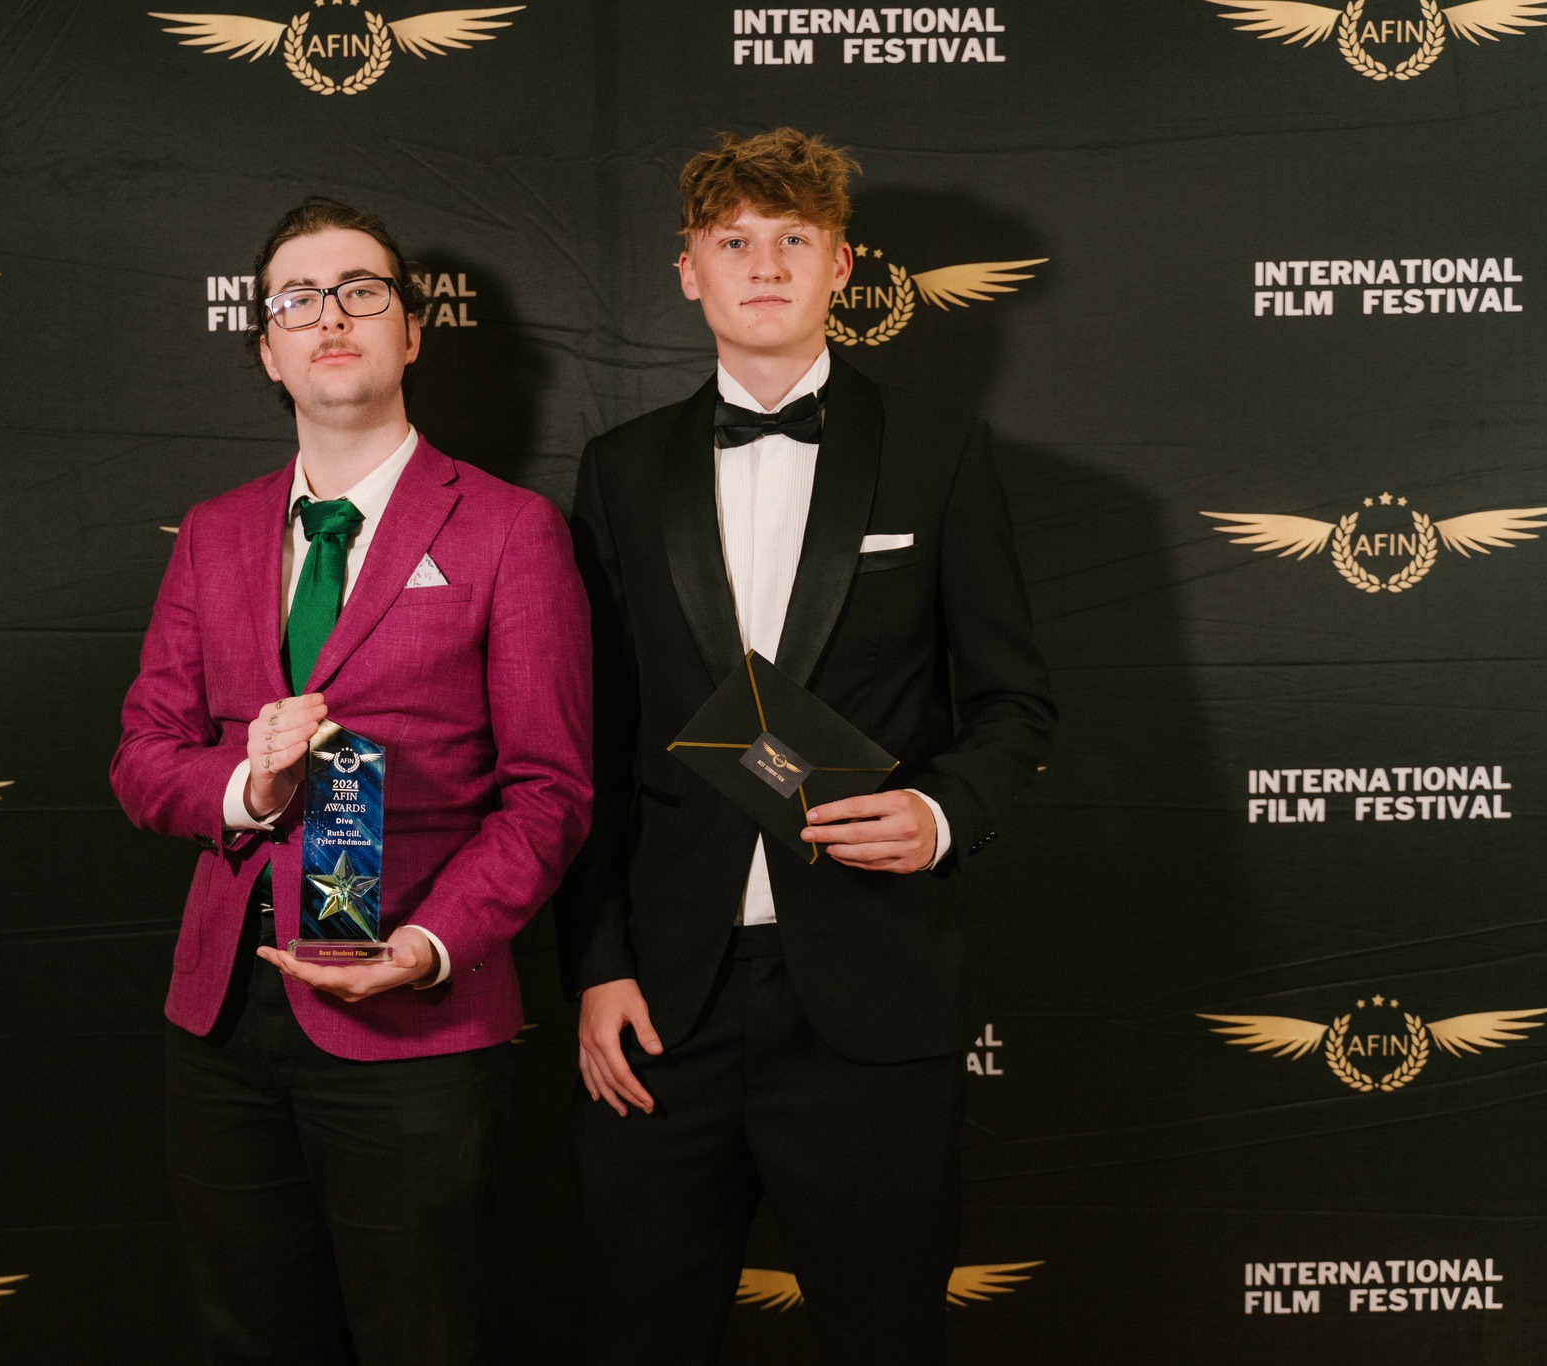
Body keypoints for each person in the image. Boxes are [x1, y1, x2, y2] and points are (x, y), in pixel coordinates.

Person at [559, 129, 1057, 1365]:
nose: (764, 264)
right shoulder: (620, 471)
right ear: (688, 271)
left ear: (840, 264)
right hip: (664, 1004)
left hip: (870, 989)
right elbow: (592, 741)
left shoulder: (939, 452)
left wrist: (937, 814)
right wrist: (597, 963)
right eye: (732, 240)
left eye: (793, 238)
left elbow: (1013, 705)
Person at [112, 195, 591, 1366]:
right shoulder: (213, 534)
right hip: (224, 1018)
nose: (330, 317)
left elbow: (548, 791)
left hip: (413, 1015)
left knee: (420, 1336)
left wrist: (427, 945)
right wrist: (251, 786)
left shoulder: (509, 530)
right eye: (297, 301)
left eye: (361, 292)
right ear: (267, 351)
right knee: (254, 1336)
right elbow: (144, 760)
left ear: (411, 332)